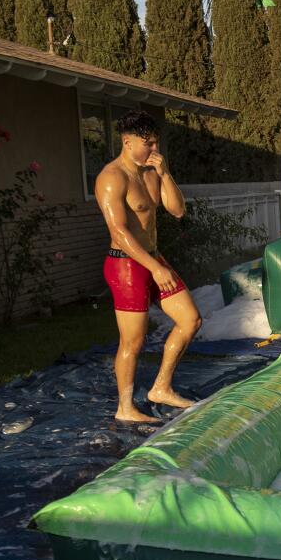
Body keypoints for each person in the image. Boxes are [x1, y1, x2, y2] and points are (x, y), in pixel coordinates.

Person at [95, 111, 201, 423]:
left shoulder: (151, 172)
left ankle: (161, 388)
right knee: (134, 341)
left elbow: (177, 210)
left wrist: (165, 173)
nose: (154, 148)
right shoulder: (111, 178)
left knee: (190, 320)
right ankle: (125, 407)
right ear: (127, 142)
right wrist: (155, 269)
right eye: (147, 143)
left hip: (154, 259)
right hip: (126, 265)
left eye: (155, 142)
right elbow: (119, 232)